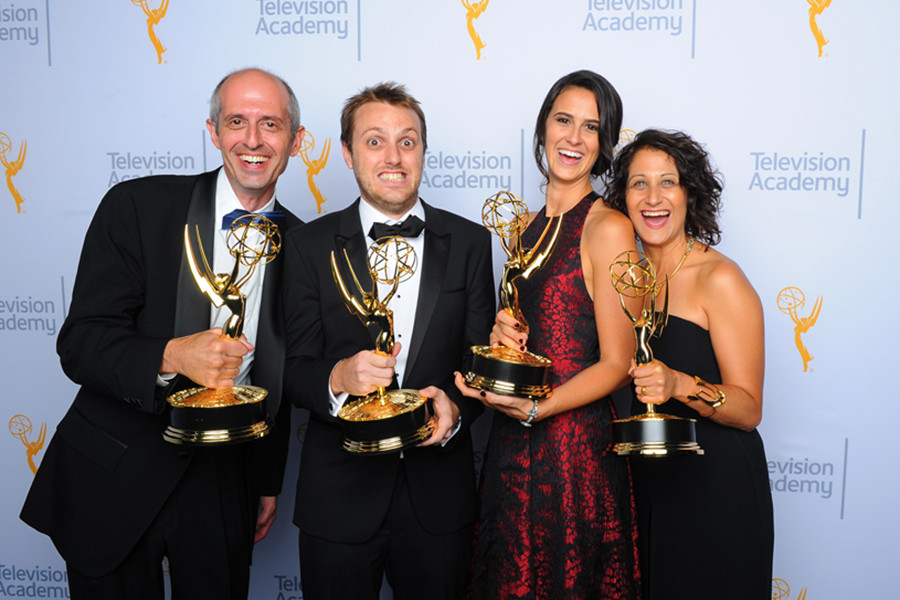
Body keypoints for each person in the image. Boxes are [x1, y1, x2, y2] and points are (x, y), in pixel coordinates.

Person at [20, 68, 306, 600]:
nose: (252, 140)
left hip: (225, 482)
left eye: (271, 124)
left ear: (296, 140)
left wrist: (267, 482)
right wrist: (173, 354)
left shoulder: (307, 247)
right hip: (114, 472)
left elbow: (282, 381)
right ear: (214, 130)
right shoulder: (138, 206)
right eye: (236, 122)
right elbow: (80, 343)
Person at [281, 82, 495, 600]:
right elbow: (289, 368)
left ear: (423, 150)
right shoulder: (308, 245)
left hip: (438, 500)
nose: (394, 157)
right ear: (349, 153)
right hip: (338, 497)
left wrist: (456, 410)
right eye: (375, 141)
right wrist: (338, 378)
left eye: (408, 141)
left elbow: (480, 364)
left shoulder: (470, 242)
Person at [454, 69, 641, 599]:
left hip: (575, 453)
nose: (574, 138)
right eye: (564, 120)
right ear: (542, 128)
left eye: (591, 127)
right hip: (512, 444)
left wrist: (540, 408)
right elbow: (525, 334)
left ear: (604, 145)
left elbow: (617, 360)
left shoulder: (609, 227)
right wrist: (501, 335)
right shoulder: (523, 227)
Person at [605, 128, 774, 599]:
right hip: (646, 490)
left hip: (715, 493)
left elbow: (749, 409)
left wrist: (680, 384)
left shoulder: (719, 279)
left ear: (689, 193)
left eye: (668, 182)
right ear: (622, 197)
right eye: (639, 183)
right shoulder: (626, 277)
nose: (653, 198)